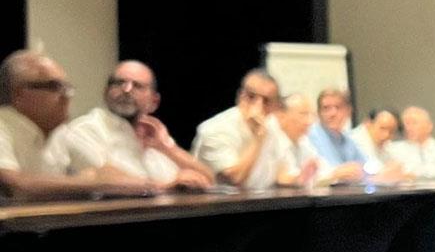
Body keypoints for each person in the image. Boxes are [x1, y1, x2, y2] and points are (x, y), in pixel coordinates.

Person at [0, 50, 156, 199]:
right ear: (19, 93)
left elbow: (105, 172)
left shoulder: (59, 132)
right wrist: (89, 182)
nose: (67, 97)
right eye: (55, 86)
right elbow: (15, 186)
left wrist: (160, 186)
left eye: (67, 88)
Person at [45, 60, 213, 190]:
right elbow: (104, 177)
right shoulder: (85, 129)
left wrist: (167, 148)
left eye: (137, 86)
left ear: (154, 102)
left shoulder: (154, 133)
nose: (126, 89)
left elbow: (208, 178)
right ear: (105, 92)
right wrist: (167, 187)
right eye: (119, 83)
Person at [192, 69, 285, 189]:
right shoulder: (214, 129)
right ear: (240, 97)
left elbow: (283, 172)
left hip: (260, 202)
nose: (258, 106)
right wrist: (258, 138)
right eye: (251, 97)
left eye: (266, 101)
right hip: (217, 204)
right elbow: (235, 179)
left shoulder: (273, 126)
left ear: (275, 106)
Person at [306, 88, 366, 184]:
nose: (332, 113)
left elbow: (364, 167)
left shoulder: (348, 140)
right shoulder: (310, 135)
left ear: (348, 111)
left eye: (338, 107)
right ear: (318, 113)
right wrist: (336, 173)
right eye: (326, 108)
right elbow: (317, 176)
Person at [386, 106, 435, 179]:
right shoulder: (393, 149)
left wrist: (411, 175)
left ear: (429, 126)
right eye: (406, 124)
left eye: (414, 123)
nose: (408, 128)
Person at [268, 93, 323, 187]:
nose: (309, 122)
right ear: (281, 116)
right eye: (303, 114)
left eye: (311, 115)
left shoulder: (303, 140)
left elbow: (320, 170)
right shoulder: (270, 139)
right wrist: (300, 177)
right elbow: (280, 178)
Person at [350, 107, 399, 173]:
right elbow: (370, 170)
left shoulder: (386, 145)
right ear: (368, 123)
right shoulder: (354, 140)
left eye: (391, 131)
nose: (386, 135)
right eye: (383, 128)